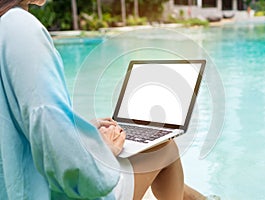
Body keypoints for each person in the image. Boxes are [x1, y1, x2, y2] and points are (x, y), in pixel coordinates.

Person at [0, 0, 220, 199]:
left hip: (21, 184)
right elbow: (53, 137)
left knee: (157, 151)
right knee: (166, 148)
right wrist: (103, 150)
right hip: (65, 191)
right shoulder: (20, 27)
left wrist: (83, 131)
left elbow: (28, 120)